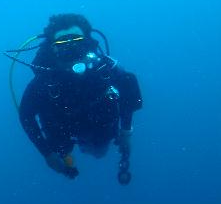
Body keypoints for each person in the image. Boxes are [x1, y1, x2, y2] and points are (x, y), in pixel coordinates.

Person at [15, 13, 142, 182]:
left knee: (99, 149)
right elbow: (26, 115)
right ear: (52, 49)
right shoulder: (44, 82)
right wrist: (47, 153)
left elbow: (129, 86)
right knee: (62, 148)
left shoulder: (105, 70)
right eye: (63, 45)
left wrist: (126, 132)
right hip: (62, 132)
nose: (71, 50)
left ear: (88, 43)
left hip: (100, 126)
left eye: (77, 43)